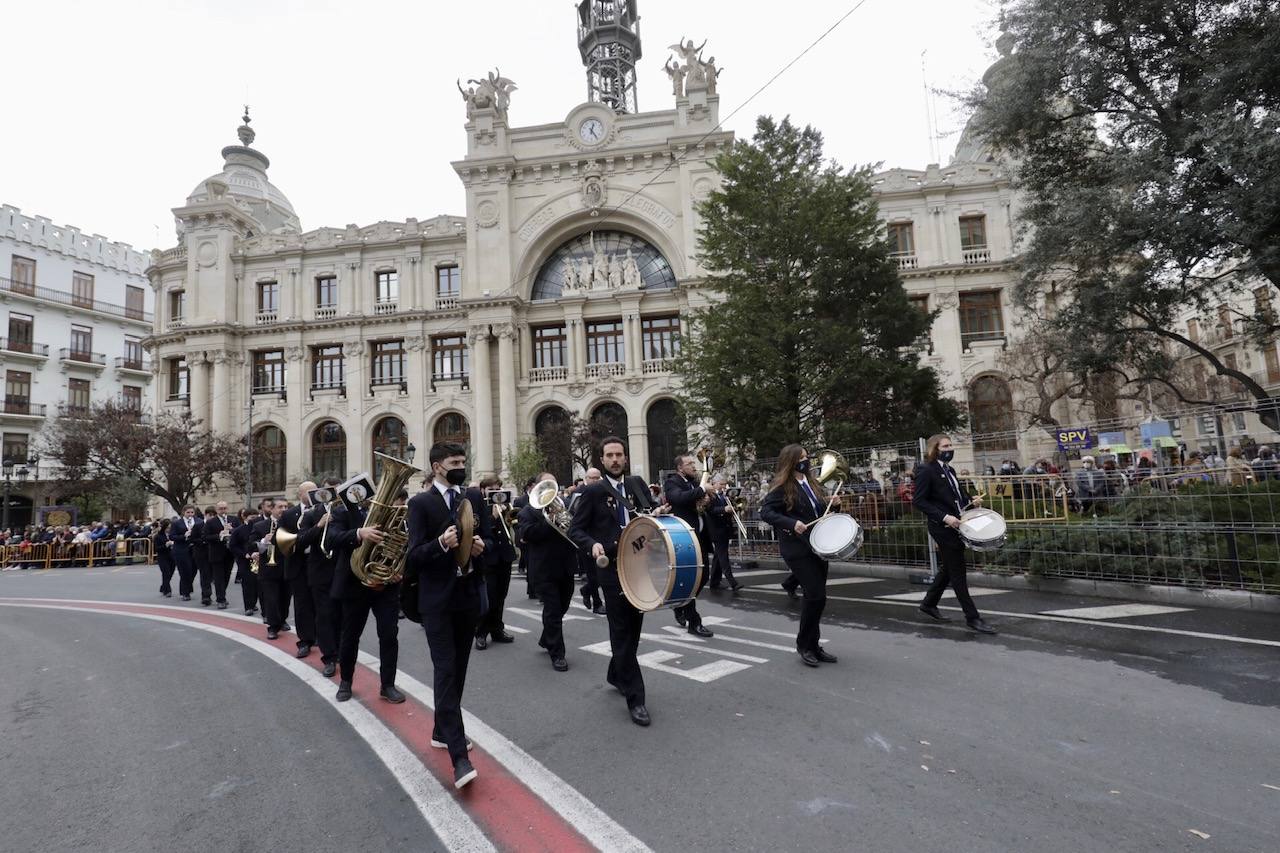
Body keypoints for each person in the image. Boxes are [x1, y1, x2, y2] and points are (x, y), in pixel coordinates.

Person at [404, 442, 491, 789]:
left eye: (463, 460)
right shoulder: (420, 503)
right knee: (445, 671)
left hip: (466, 597)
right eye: (455, 462)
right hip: (437, 602)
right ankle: (459, 756)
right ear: (437, 466)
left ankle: (442, 730)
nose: (461, 466)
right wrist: (441, 544)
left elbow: (486, 543)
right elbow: (413, 558)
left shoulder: (470, 498)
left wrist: (480, 547)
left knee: (459, 671)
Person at [569, 435, 656, 726]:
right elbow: (576, 530)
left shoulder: (637, 485)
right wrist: (591, 544)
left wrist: (656, 524)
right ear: (602, 460)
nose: (616, 459)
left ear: (625, 458)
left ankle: (615, 673)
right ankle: (637, 699)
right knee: (620, 630)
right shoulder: (593, 492)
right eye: (610, 455)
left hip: (639, 566)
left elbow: (650, 516)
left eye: (619, 454)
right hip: (611, 569)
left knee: (633, 628)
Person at [760, 445, 838, 666]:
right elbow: (766, 512)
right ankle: (804, 645)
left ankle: (813, 645)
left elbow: (820, 513)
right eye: (802, 458)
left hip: (818, 546)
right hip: (797, 549)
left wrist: (835, 507)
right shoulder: (783, 488)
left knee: (818, 598)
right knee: (815, 596)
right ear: (791, 462)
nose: (807, 461)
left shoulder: (812, 484)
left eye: (807, 457)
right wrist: (791, 523)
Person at [911, 434, 997, 635]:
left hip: (958, 524)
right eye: (945, 445)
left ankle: (929, 604)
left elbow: (954, 494)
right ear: (935, 448)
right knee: (958, 572)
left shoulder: (949, 469)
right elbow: (919, 501)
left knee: (950, 568)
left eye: (951, 445)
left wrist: (970, 500)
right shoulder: (926, 470)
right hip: (943, 528)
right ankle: (972, 618)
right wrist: (944, 517)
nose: (950, 448)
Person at [330, 487, 405, 701]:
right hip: (355, 584)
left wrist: (398, 571)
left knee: (389, 636)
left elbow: (403, 545)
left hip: (384, 584)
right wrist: (358, 533)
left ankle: (387, 685)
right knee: (350, 636)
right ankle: (345, 682)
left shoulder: (393, 513)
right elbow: (332, 539)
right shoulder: (342, 513)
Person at [519, 472, 579, 672]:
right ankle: (558, 654)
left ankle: (547, 638)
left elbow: (573, 530)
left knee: (563, 605)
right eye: (546, 483)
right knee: (553, 610)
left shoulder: (564, 505)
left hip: (566, 565)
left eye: (553, 483)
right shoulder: (528, 511)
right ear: (537, 487)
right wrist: (549, 521)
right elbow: (527, 534)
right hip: (544, 569)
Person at [663, 454, 714, 637]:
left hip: (699, 537)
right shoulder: (672, 482)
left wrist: (707, 500)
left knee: (704, 576)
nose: (694, 466)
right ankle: (694, 621)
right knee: (690, 578)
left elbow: (699, 502)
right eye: (689, 463)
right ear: (679, 468)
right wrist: (702, 490)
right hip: (683, 538)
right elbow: (679, 498)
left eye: (694, 462)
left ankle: (680, 605)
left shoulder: (694, 482)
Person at [297, 478, 343, 676]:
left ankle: (342, 651)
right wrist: (319, 525)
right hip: (320, 572)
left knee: (342, 615)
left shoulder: (346, 511)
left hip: (342, 569)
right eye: (328, 490)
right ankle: (330, 658)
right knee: (324, 616)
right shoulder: (311, 514)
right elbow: (300, 541)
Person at [474, 474, 517, 651]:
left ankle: (497, 629)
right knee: (489, 597)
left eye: (498, 489)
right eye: (492, 489)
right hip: (489, 558)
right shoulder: (481, 507)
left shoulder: (506, 505)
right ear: (484, 490)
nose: (496, 492)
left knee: (501, 595)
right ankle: (481, 632)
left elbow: (513, 524)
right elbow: (478, 530)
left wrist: (507, 513)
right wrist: (492, 517)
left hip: (504, 556)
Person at [278, 482, 319, 659]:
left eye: (315, 491)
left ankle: (320, 636)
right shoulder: (289, 514)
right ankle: (304, 641)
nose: (313, 494)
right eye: (309, 492)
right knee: (302, 605)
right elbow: (279, 539)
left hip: (318, 563)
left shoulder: (322, 511)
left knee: (320, 603)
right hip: (298, 564)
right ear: (300, 494)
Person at [575, 467, 607, 613]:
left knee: (603, 575)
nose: (595, 480)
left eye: (597, 477)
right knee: (593, 575)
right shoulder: (578, 493)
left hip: (603, 538)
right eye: (592, 478)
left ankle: (586, 590)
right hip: (587, 539)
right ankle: (597, 603)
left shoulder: (603, 491)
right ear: (586, 479)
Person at [705, 475, 742, 591]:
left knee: (718, 556)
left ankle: (714, 582)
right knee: (723, 556)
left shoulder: (724, 496)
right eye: (721, 484)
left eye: (724, 484)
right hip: (716, 530)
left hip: (724, 529)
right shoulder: (710, 496)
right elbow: (710, 510)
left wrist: (733, 508)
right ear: (714, 484)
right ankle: (732, 582)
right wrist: (724, 509)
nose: (723, 486)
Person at [203, 501, 237, 610]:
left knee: (226, 576)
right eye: (221, 508)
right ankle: (221, 599)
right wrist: (219, 535)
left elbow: (240, 532)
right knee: (218, 578)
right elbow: (206, 537)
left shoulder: (233, 519)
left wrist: (232, 530)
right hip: (216, 553)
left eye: (225, 508)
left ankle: (222, 594)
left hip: (229, 553)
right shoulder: (211, 522)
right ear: (217, 510)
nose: (223, 510)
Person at [228, 507, 260, 615]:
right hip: (244, 561)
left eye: (256, 517)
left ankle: (253, 603)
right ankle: (248, 606)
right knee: (247, 583)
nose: (254, 519)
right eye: (252, 517)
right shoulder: (238, 530)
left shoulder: (260, 528)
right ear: (245, 517)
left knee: (256, 582)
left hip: (257, 560)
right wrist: (244, 554)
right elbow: (233, 545)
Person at [168, 505, 198, 601]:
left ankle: (187, 589)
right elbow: (172, 536)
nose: (190, 514)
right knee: (185, 571)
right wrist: (183, 536)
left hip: (195, 549)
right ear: (183, 513)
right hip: (181, 550)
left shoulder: (199, 521)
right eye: (188, 512)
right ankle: (186, 592)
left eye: (192, 512)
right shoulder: (177, 523)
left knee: (193, 571)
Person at [191, 508, 213, 605]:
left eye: (213, 515)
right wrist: (203, 541)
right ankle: (206, 596)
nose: (211, 517)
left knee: (212, 575)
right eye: (210, 515)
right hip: (201, 554)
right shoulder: (198, 525)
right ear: (206, 515)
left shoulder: (215, 525)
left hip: (213, 553)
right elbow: (193, 539)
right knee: (204, 574)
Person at [154, 520, 175, 597]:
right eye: (167, 528)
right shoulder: (158, 536)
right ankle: (168, 590)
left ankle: (163, 586)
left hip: (172, 556)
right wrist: (166, 545)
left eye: (170, 528)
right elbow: (157, 548)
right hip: (162, 557)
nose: (169, 529)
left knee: (170, 573)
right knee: (166, 572)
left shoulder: (172, 535)